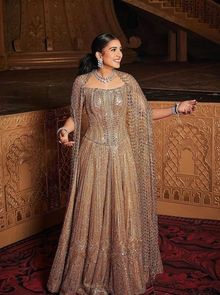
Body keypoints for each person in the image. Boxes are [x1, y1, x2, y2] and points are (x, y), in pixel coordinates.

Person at [47, 33, 197, 295]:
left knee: (121, 209)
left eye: (120, 50)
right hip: (92, 154)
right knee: (90, 210)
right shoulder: (81, 83)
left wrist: (176, 108)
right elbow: (75, 116)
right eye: (113, 50)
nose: (119, 54)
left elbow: (143, 114)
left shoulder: (128, 82)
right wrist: (64, 130)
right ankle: (89, 275)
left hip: (122, 154)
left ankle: (120, 275)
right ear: (98, 55)